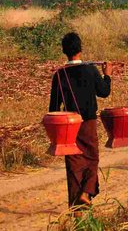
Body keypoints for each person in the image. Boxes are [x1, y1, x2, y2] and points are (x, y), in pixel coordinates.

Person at [48, 32, 112, 209]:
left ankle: (76, 208)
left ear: (64, 51)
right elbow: (104, 92)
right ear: (80, 49)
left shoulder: (59, 75)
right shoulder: (90, 70)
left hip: (68, 125)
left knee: (73, 164)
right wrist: (107, 75)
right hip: (88, 122)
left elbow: (53, 107)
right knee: (91, 158)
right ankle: (85, 193)